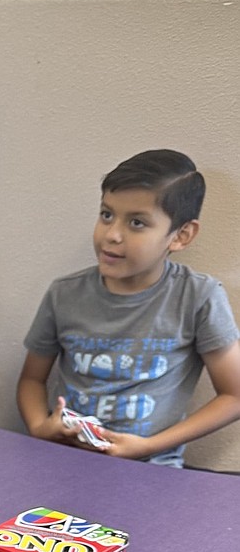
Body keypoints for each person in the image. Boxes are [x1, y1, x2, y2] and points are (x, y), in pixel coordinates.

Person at [17, 148, 240, 467]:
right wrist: (40, 427)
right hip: (65, 458)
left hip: (150, 468)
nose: (112, 235)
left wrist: (148, 445)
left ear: (181, 236)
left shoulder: (198, 296)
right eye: (107, 214)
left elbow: (234, 396)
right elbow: (31, 380)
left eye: (137, 222)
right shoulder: (64, 293)